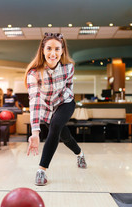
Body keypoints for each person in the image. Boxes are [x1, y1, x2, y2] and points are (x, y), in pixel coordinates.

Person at [24, 32, 86, 186]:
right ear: (43, 50)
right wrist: (35, 133)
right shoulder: (34, 74)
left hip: (65, 102)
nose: (53, 53)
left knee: (56, 126)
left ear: (62, 50)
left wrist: (65, 101)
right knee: (64, 135)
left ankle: (41, 170)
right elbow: (35, 102)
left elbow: (69, 87)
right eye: (49, 49)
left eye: (57, 49)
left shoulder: (68, 68)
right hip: (46, 108)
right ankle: (80, 153)